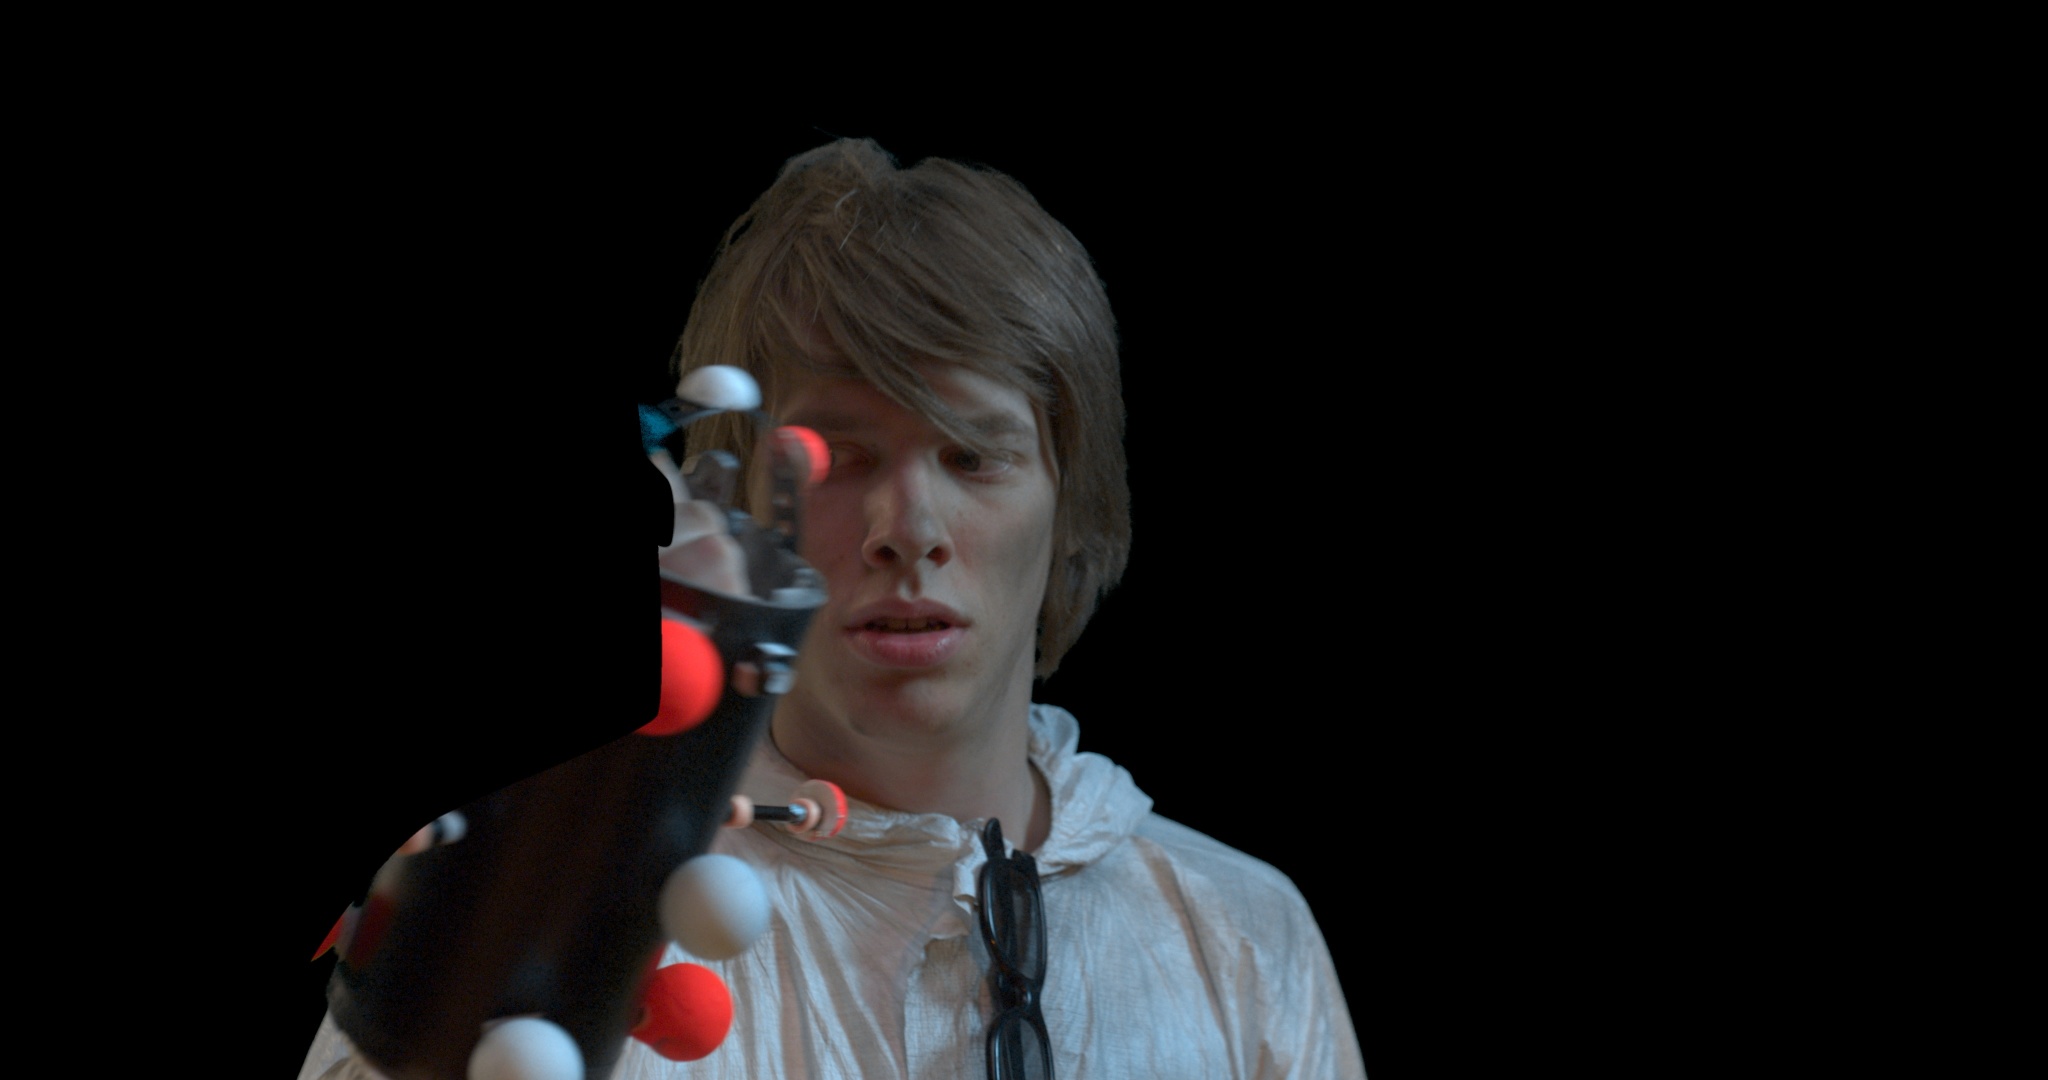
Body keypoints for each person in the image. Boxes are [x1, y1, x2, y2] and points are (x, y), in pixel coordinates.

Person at [299, 137, 1364, 1079]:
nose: (909, 527)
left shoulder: (1239, 939)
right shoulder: (554, 919)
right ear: (731, 508)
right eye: (839, 456)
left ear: (1069, 502)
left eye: (973, 455)